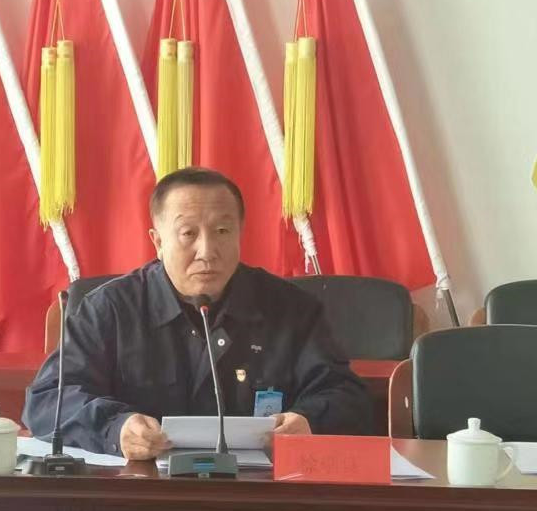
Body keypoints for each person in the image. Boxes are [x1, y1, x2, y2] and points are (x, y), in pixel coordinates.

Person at [23, 167, 372, 460]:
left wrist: (309, 420)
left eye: (222, 231)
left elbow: (346, 395)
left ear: (240, 234)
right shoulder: (110, 309)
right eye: (188, 233)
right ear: (158, 241)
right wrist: (115, 429)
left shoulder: (290, 308)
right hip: (142, 496)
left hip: (260, 496)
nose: (207, 251)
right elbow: (48, 400)